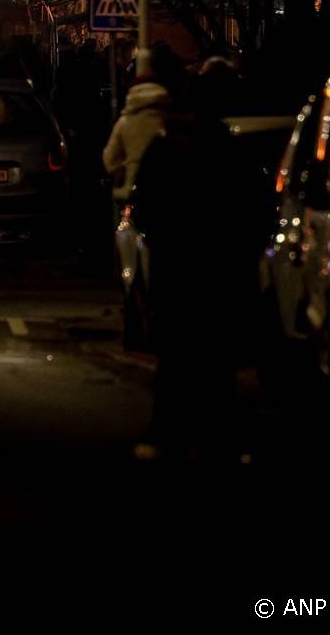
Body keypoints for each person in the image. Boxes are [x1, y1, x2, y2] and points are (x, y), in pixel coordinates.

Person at [132, 68, 254, 459]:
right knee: (216, 360)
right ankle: (222, 437)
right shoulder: (230, 151)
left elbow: (144, 208)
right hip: (218, 269)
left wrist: (160, 241)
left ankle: (167, 434)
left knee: (176, 356)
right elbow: (252, 210)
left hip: (177, 267)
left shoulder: (165, 149)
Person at [103, 45, 182, 210]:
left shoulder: (127, 120)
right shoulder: (174, 115)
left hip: (135, 194)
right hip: (172, 194)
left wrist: (123, 173)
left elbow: (110, 158)